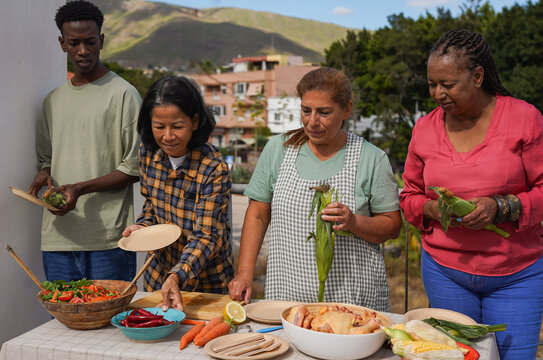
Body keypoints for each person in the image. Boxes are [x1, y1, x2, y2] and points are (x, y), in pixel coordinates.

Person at [400, 29, 543, 359]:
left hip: (517, 277)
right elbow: (409, 197)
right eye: (432, 84)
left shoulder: (524, 118)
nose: (438, 93)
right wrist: (437, 210)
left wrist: (500, 207)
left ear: (477, 76)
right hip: (445, 273)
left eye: (448, 84)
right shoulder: (424, 128)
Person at [228, 67, 402, 312]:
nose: (312, 121)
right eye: (306, 110)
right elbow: (257, 213)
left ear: (347, 109)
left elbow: (392, 225)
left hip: (351, 300)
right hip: (288, 296)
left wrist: (354, 222)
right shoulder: (279, 149)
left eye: (324, 112)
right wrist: (244, 274)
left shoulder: (371, 158)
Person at [28, 0, 141, 282]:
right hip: (57, 240)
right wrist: (44, 173)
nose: (82, 51)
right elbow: (47, 160)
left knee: (111, 325)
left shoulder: (124, 95)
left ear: (101, 40)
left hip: (110, 240)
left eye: (90, 42)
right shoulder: (52, 101)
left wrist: (79, 188)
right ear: (62, 43)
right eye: (74, 43)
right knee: (62, 324)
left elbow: (134, 168)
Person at [122, 76, 234, 311]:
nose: (168, 136)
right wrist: (143, 226)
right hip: (157, 278)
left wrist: (177, 275)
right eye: (159, 127)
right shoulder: (148, 154)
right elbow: (152, 204)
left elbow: (207, 236)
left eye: (177, 126)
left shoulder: (213, 167)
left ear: (194, 122)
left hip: (206, 287)